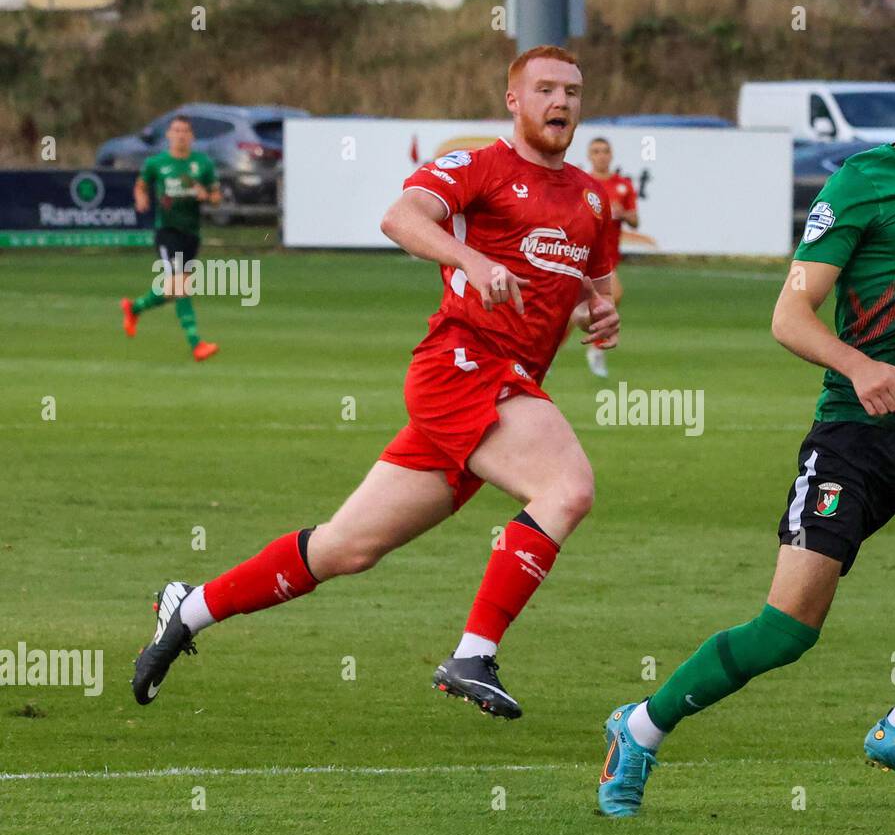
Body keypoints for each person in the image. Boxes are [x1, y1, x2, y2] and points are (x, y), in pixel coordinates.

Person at [596, 24, 895, 817]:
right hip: (853, 443)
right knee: (786, 632)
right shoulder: (861, 184)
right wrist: (859, 366)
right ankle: (641, 727)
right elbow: (790, 316)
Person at [132, 46, 620, 720]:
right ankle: (473, 654)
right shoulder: (478, 166)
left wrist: (599, 309)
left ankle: (190, 606)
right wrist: (470, 258)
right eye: (544, 89)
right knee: (567, 487)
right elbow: (401, 217)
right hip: (461, 367)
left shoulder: (594, 199)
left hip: (499, 392)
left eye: (571, 90)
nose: (561, 102)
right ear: (514, 100)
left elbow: (595, 283)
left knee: (346, 547)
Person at [120, 115, 221, 361]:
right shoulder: (157, 163)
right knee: (181, 287)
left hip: (191, 234)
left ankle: (134, 308)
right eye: (176, 130)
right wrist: (141, 197)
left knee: (172, 290)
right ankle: (197, 344)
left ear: (192, 136)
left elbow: (217, 198)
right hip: (167, 232)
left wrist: (205, 195)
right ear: (168, 135)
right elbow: (141, 185)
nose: (180, 135)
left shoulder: (203, 164)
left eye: (185, 131)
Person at [581, 137, 638, 377]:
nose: (601, 155)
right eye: (596, 151)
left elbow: (635, 221)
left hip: (608, 256)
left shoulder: (622, 186)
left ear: (611, 155)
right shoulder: (581, 182)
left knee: (598, 302)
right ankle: (595, 349)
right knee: (613, 294)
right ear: (589, 156)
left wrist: (621, 212)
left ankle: (594, 347)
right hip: (582, 252)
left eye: (605, 151)